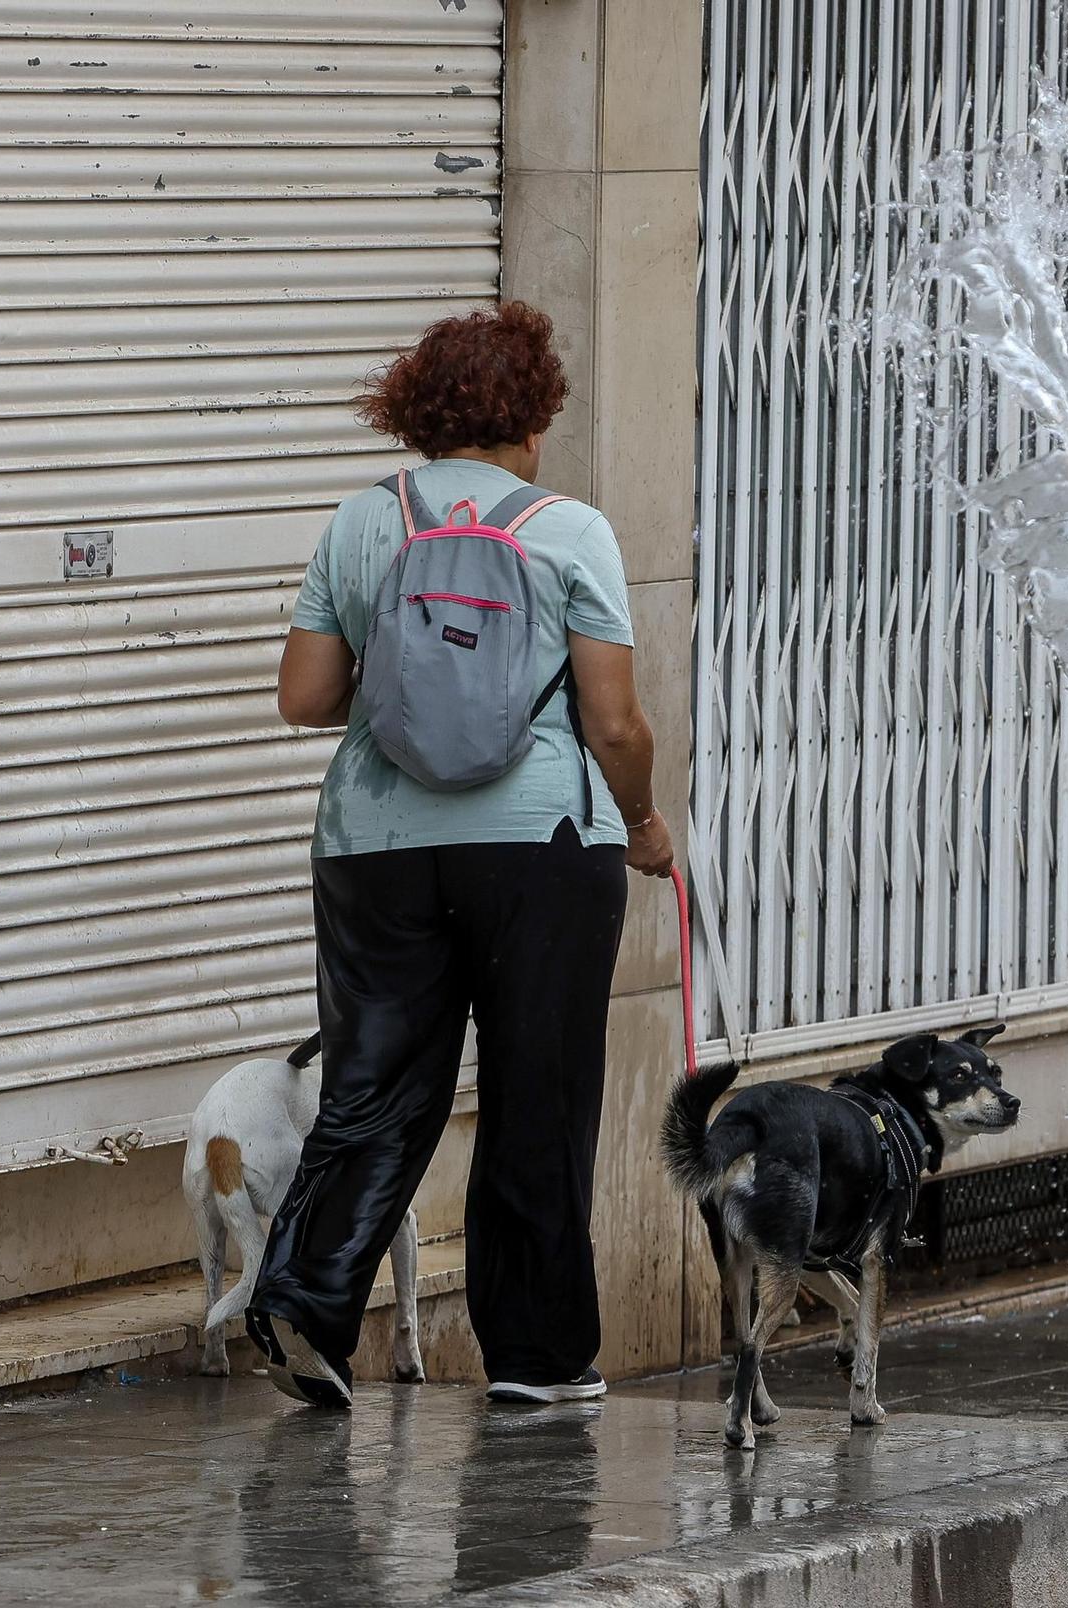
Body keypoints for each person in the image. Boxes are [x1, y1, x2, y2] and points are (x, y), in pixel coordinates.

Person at [246, 300, 674, 1411]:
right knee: (539, 1091)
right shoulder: (566, 530)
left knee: (373, 1086)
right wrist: (639, 824)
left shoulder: (360, 524)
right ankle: (534, 1360)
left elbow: (303, 699)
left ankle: (305, 1306)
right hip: (541, 844)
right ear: (531, 420)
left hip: (373, 848)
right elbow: (614, 723)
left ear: (417, 413)